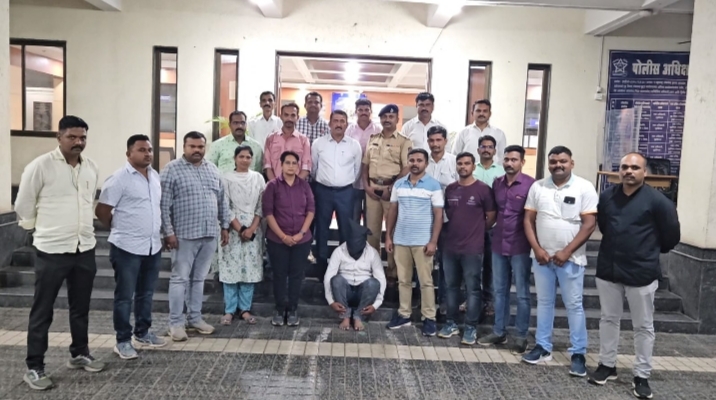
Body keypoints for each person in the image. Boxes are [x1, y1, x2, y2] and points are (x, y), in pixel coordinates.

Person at [15, 116, 104, 390]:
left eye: (83, 137)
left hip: (84, 248)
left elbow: (89, 203)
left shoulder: (91, 167)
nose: (78, 142)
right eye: (72, 137)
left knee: (81, 308)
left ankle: (79, 353)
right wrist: (40, 230)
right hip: (51, 250)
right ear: (59, 137)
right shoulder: (40, 166)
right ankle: (34, 367)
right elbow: (23, 204)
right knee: (43, 310)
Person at [588, 152, 680, 399]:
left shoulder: (659, 201)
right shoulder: (607, 197)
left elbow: (671, 235)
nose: (629, 171)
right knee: (608, 319)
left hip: (642, 271)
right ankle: (607, 365)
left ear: (645, 172)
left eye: (635, 167)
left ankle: (641, 375)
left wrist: (647, 251)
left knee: (643, 326)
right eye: (624, 167)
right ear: (619, 170)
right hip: (609, 268)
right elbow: (605, 226)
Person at [521, 146, 598, 378]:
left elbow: (589, 225)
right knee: (544, 303)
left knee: (574, 305)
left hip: (571, 259)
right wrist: (537, 249)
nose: (558, 165)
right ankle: (543, 346)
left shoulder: (584, 187)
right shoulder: (538, 187)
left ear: (571, 163)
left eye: (562, 161)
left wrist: (566, 252)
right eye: (553, 161)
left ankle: (578, 353)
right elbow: (528, 220)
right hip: (542, 258)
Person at [96, 134, 165, 361]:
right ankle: (123, 340)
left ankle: (142, 333)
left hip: (152, 246)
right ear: (129, 153)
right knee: (125, 296)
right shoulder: (119, 179)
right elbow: (102, 210)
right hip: (126, 247)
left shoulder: (154, 176)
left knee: (146, 293)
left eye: (150, 150)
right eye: (142, 150)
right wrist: (119, 227)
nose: (148, 154)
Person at [160, 131, 231, 341]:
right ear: (184, 147)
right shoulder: (171, 169)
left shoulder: (213, 169)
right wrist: (168, 232)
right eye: (192, 146)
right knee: (180, 279)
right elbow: (163, 205)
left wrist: (225, 226)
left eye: (200, 147)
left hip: (209, 234)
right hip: (183, 235)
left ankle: (195, 318)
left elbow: (222, 200)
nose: (197, 150)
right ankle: (176, 323)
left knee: (199, 279)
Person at [477, 145, 536, 355]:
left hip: (520, 245)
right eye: (507, 159)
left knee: (522, 294)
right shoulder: (497, 183)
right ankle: (498, 331)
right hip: (499, 243)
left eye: (514, 160)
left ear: (522, 162)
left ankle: (521, 336)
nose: (510, 163)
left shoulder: (531, 185)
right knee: (499, 291)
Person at [437, 152, 495, 345]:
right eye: (460, 164)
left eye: (467, 163)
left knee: (473, 289)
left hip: (473, 248)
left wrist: (476, 231)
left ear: (473, 166)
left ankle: (471, 327)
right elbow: (447, 213)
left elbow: (491, 217)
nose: (463, 167)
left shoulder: (483, 190)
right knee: (451, 288)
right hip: (450, 247)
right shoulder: (451, 189)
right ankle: (451, 323)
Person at [385, 149, 444, 336]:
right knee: (403, 280)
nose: (415, 163)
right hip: (401, 240)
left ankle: (429, 318)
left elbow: (438, 215)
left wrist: (433, 241)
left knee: (426, 282)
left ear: (426, 163)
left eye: (419, 160)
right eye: (412, 160)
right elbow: (393, 211)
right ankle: (404, 314)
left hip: (423, 242)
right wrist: (388, 236)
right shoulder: (399, 184)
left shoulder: (434, 185)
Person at [263, 151, 315, 327]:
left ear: (298, 166)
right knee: (279, 274)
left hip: (302, 240)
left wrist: (301, 233)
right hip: (278, 240)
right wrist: (283, 236)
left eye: (294, 163)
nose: (291, 166)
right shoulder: (272, 186)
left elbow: (311, 210)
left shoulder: (304, 186)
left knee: (296, 275)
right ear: (281, 164)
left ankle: (292, 309)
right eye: (288, 163)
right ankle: (279, 309)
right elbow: (268, 213)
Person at [362, 104, 411, 285]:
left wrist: (391, 189)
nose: (387, 120)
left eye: (391, 117)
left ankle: (392, 273)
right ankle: (373, 271)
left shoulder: (404, 141)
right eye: (384, 117)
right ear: (380, 119)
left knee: (393, 232)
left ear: (397, 119)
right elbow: (365, 164)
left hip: (392, 192)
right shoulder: (373, 138)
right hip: (372, 191)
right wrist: (366, 186)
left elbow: (406, 167)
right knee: (371, 233)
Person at [217, 145, 266, 326]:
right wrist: (239, 229)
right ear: (235, 158)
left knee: (249, 268)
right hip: (231, 228)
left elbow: (261, 204)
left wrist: (252, 228)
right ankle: (229, 310)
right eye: (241, 157)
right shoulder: (225, 178)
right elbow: (224, 205)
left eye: (248, 157)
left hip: (254, 227)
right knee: (231, 268)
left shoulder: (258, 178)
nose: (245, 160)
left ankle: (245, 309)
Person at [311, 110, 363, 273]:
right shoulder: (318, 143)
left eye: (342, 121)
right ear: (330, 123)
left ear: (347, 125)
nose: (339, 124)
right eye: (336, 121)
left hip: (345, 192)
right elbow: (314, 168)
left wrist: (344, 182)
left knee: (346, 229)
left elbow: (357, 170)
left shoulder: (354, 145)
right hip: (323, 191)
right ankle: (321, 265)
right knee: (322, 228)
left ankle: (343, 265)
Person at [324, 219, 386, 331]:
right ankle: (345, 316)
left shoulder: (372, 253)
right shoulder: (339, 251)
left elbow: (381, 278)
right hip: (344, 293)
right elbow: (328, 276)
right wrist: (331, 301)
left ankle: (359, 316)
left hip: (364, 293)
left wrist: (376, 304)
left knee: (373, 283)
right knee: (336, 280)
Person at [424, 125, 458, 316]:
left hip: (448, 220)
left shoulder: (454, 162)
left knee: (446, 263)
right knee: (422, 263)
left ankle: (444, 302)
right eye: (431, 140)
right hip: (423, 219)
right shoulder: (422, 161)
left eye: (439, 140)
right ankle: (423, 301)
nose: (435, 144)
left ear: (445, 141)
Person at [472, 134, 505, 318]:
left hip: (493, 226)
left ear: (494, 150)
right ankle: (470, 298)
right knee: (471, 265)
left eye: (490, 147)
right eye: (483, 146)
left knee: (490, 265)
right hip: (471, 226)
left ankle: (488, 300)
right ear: (478, 150)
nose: (486, 150)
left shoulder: (501, 171)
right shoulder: (471, 168)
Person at [346, 98, 382, 223]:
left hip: (372, 181)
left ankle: (368, 237)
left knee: (371, 218)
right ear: (356, 112)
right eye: (360, 110)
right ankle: (354, 237)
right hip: (353, 181)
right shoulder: (349, 130)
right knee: (353, 216)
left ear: (371, 111)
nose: (363, 113)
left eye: (366, 110)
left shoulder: (378, 130)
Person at [264, 103, 312, 181]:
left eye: (293, 115)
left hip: (296, 185)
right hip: (275, 184)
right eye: (286, 115)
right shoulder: (271, 138)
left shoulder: (304, 140)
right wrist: (275, 184)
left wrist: (293, 185)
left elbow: (306, 167)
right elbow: (267, 165)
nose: (289, 118)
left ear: (297, 117)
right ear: (281, 116)